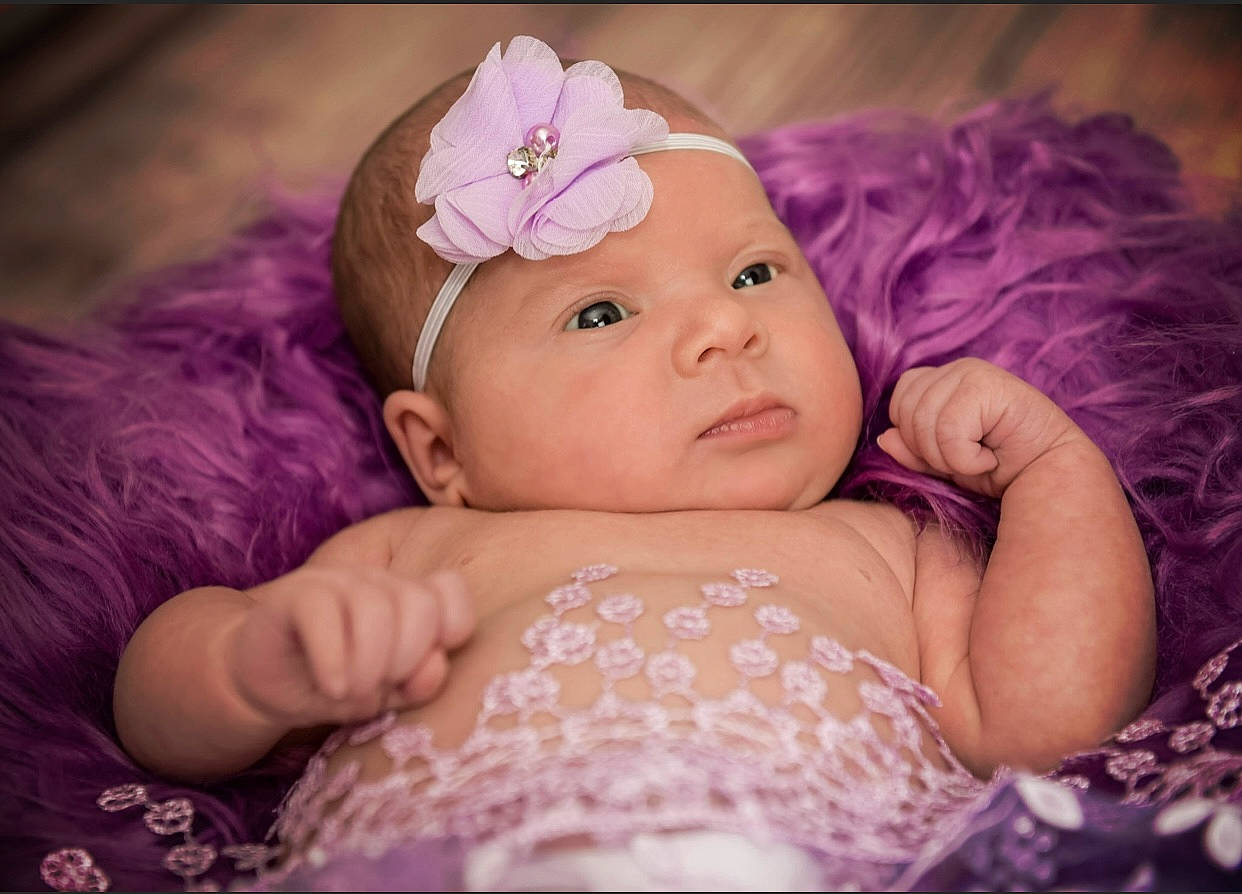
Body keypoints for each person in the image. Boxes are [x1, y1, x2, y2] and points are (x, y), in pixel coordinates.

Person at [110, 36, 1156, 890]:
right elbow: (160, 716)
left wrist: (1052, 469)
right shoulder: (408, 553)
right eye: (602, 310)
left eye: (754, 272)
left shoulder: (888, 545)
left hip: (809, 865)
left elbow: (1050, 724)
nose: (724, 328)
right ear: (441, 450)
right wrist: (254, 665)